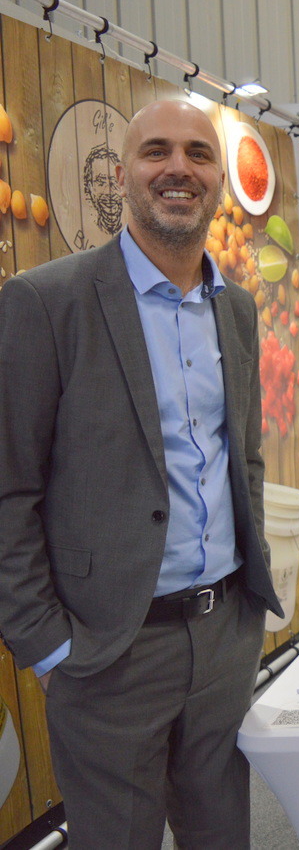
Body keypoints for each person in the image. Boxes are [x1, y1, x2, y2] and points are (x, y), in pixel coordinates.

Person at [0, 99, 282, 848]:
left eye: (198, 153)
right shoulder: (46, 303)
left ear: (218, 179)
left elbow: (244, 456)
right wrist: (48, 646)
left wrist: (247, 600)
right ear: (123, 173)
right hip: (107, 652)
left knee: (222, 835)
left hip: (224, 636)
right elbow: (9, 490)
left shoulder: (236, 309)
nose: (178, 168)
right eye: (156, 150)